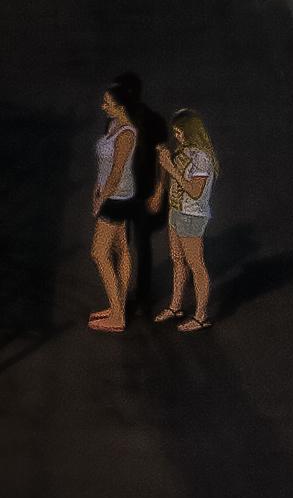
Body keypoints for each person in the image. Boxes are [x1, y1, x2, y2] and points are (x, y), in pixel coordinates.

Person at [85, 71, 153, 331]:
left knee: (99, 253)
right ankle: (117, 307)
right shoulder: (113, 126)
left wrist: (101, 200)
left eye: (107, 103)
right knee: (120, 249)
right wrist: (96, 189)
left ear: (120, 106)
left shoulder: (126, 134)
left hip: (117, 198)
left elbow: (116, 172)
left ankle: (117, 315)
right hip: (110, 194)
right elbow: (104, 169)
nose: (103, 106)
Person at [159, 104, 222, 330]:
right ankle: (176, 306)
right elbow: (173, 183)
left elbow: (195, 191)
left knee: (196, 264)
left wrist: (170, 167)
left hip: (191, 215)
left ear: (190, 131)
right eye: (175, 132)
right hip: (176, 211)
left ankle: (201, 315)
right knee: (177, 259)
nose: (176, 135)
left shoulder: (201, 158)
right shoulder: (183, 151)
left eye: (179, 131)